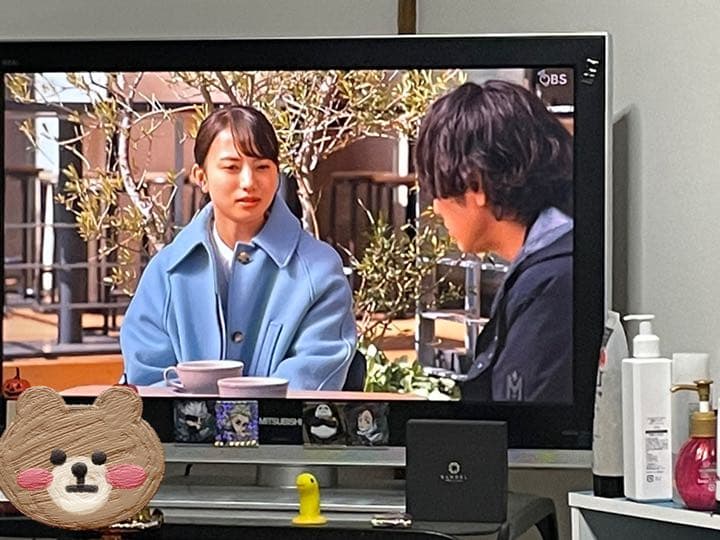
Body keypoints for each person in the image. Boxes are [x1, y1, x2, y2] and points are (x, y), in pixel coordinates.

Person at [120, 105, 356, 390]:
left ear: (277, 174)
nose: (248, 182)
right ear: (201, 177)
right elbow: (147, 378)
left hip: (281, 422)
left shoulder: (318, 270)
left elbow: (312, 379)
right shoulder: (166, 271)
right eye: (231, 167)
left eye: (262, 167)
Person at [414, 80, 574, 403]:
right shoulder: (554, 260)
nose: (436, 208)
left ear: (475, 184)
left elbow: (522, 425)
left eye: (436, 190)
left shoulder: (553, 286)